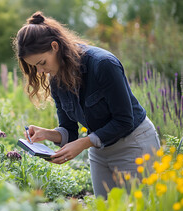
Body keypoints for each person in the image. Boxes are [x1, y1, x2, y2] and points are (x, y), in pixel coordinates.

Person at [14, 11, 160, 199]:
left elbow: (124, 121)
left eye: (41, 63)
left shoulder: (103, 64)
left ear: (55, 46)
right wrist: (47, 134)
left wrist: (83, 144)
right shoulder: (56, 79)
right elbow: (69, 129)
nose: (40, 71)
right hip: (100, 151)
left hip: (134, 144)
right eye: (35, 67)